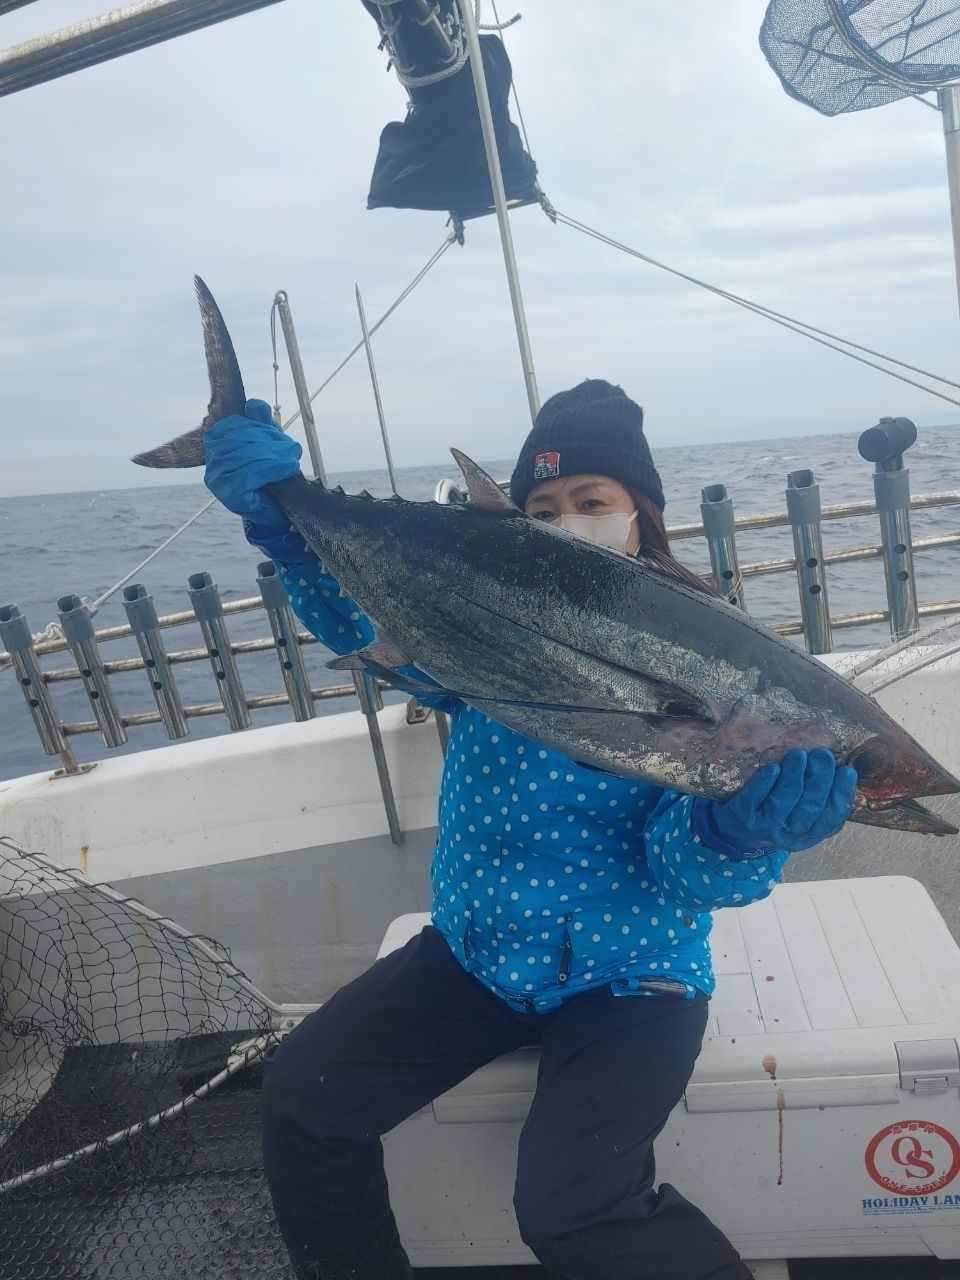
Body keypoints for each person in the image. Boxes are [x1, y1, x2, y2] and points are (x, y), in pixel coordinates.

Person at [203, 379, 857, 1280]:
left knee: (570, 1206)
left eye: (593, 501)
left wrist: (738, 835)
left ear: (642, 515)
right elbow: (365, 622)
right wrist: (285, 526)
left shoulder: (705, 658)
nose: (567, 520)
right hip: (477, 955)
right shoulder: (484, 619)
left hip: (631, 977)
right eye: (543, 506)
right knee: (302, 1103)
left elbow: (684, 876)